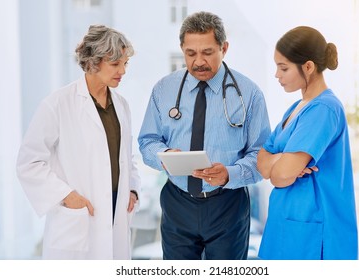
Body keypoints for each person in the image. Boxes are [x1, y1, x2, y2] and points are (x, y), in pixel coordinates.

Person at [138, 11, 271, 260]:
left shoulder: (249, 94)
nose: (198, 61)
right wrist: (164, 155)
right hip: (178, 203)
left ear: (224, 48)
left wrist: (230, 173)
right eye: (190, 53)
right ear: (182, 49)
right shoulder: (163, 90)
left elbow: (261, 155)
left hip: (227, 205)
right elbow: (147, 141)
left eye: (207, 52)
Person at [16, 25, 140, 259]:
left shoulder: (122, 105)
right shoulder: (58, 104)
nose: (122, 70)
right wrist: (65, 195)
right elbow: (29, 162)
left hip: (117, 212)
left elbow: (126, 157)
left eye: (125, 63)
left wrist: (132, 189)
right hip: (80, 216)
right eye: (115, 64)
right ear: (93, 62)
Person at [257, 26, 358, 260]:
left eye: (283, 68)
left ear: (309, 67)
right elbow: (262, 164)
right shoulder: (296, 109)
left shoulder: (323, 109)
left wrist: (280, 164)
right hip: (286, 226)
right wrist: (284, 160)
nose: (276, 75)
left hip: (312, 232)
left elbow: (280, 175)